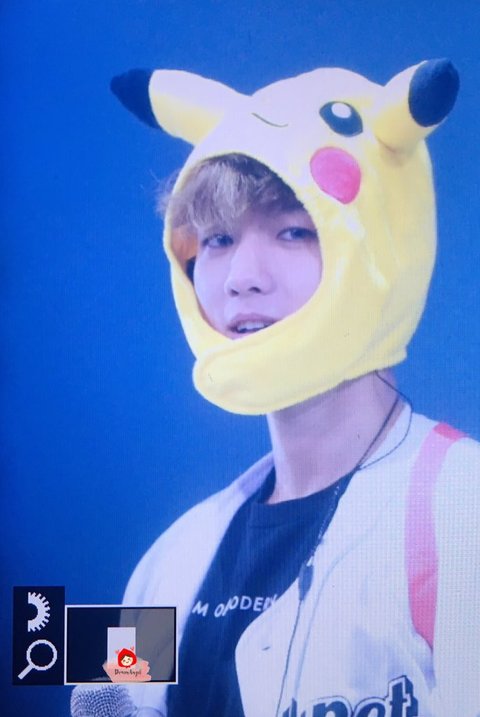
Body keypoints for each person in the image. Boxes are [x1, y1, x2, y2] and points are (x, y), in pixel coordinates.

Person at [109, 59, 480, 716]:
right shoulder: (169, 559)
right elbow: (98, 696)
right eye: (218, 239)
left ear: (379, 246)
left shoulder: (464, 513)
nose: (241, 277)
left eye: (293, 231)